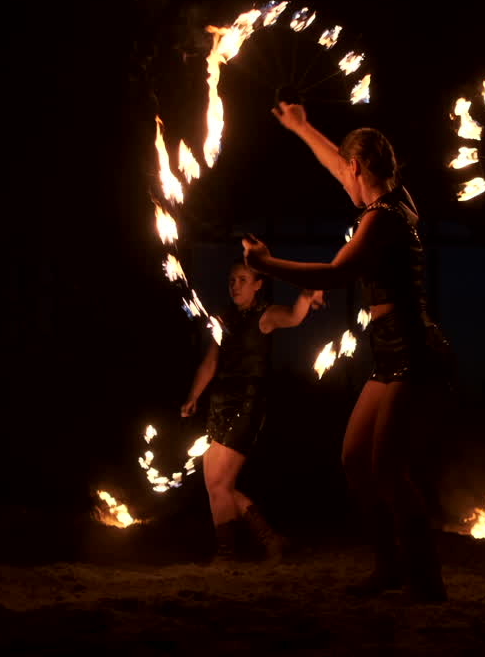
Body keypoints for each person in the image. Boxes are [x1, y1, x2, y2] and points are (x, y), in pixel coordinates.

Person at [240, 102, 455, 602]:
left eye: (346, 171)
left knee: (387, 467)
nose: (341, 176)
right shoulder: (399, 197)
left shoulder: (381, 219)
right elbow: (337, 160)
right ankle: (388, 568)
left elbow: (336, 274)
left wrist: (268, 264)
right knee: (355, 459)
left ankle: (426, 580)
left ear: (359, 169)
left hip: (413, 348)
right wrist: (301, 127)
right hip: (389, 350)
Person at [181, 259, 324, 564]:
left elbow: (296, 316)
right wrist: (194, 396)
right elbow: (211, 361)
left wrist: (307, 292)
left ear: (258, 284)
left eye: (242, 280)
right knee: (217, 486)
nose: (235, 285)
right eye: (232, 280)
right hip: (219, 404)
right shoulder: (224, 319)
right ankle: (270, 540)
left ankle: (226, 554)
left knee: (219, 484)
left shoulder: (266, 315)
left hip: (246, 406)